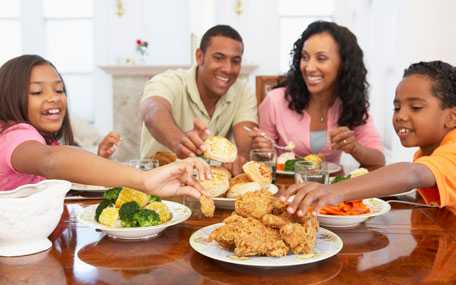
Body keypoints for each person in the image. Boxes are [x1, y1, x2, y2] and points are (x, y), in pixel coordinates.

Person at [0, 54, 211, 199]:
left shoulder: (40, 140)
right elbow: (50, 160)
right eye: (37, 92)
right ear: (10, 96)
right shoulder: (16, 136)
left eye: (59, 90)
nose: (54, 98)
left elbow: (63, 164)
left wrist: (98, 158)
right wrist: (144, 179)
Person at [282, 61, 456, 216]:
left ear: (452, 117)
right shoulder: (426, 152)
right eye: (397, 107)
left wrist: (335, 190)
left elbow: (413, 174)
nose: (400, 116)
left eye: (416, 107)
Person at [251, 21, 385, 170]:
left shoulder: (349, 104)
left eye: (321, 58)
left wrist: (354, 147)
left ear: (343, 64)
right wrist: (265, 152)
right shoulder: (275, 101)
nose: (309, 67)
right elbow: (261, 165)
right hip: (285, 186)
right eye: (305, 57)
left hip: (331, 190)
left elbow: (378, 161)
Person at [139, 24, 258, 175]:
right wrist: (179, 142)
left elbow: (243, 146)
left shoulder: (243, 91)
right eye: (219, 58)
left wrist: (241, 157)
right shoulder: (169, 81)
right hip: (157, 185)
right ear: (199, 56)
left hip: (209, 189)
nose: (228, 68)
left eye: (235, 61)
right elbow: (152, 112)